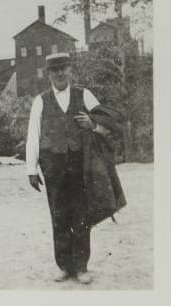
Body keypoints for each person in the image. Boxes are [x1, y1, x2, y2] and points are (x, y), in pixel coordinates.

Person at [25, 53, 115, 285]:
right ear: (49, 74)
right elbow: (32, 136)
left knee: (82, 216)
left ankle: (82, 267)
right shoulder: (41, 101)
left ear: (70, 70)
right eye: (55, 70)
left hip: (80, 165)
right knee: (59, 216)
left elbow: (109, 123)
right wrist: (31, 169)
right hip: (53, 167)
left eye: (63, 68)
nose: (60, 73)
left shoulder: (84, 94)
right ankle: (65, 266)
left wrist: (93, 124)